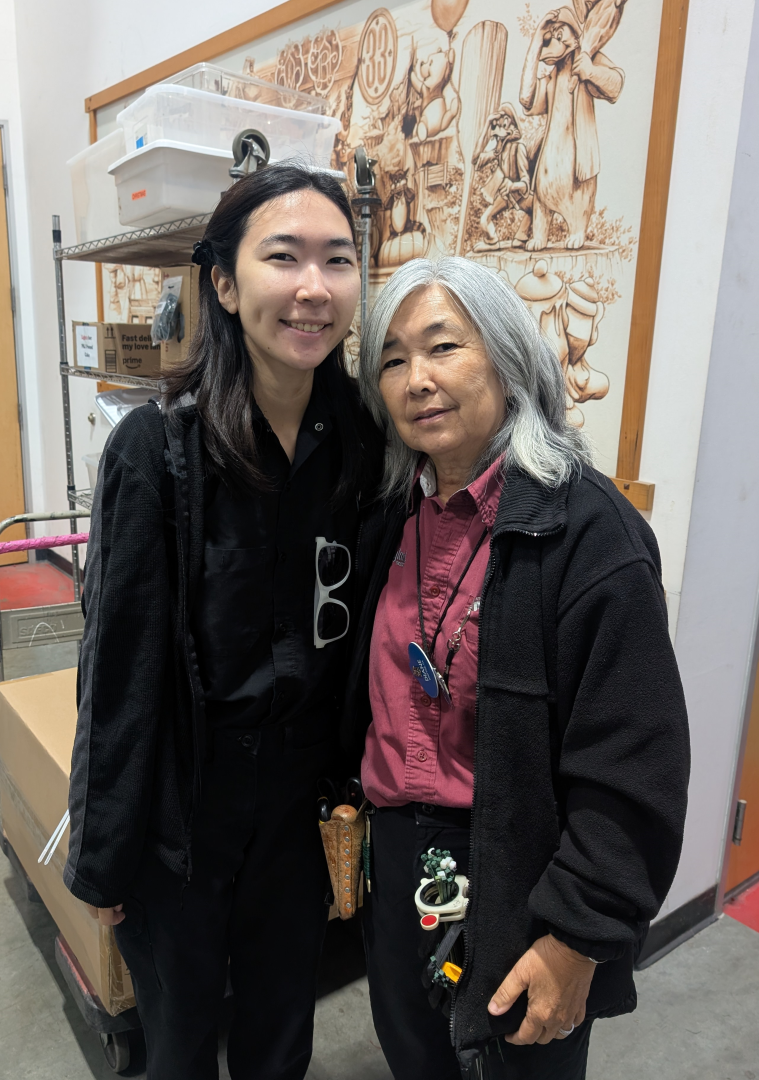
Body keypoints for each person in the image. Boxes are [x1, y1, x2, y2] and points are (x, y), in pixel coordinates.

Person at [64, 163, 382, 1080]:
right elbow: (118, 670)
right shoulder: (157, 448)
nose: (313, 288)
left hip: (297, 807)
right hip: (184, 816)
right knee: (179, 1042)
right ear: (225, 282)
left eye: (337, 260)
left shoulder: (357, 439)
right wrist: (107, 853)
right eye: (282, 257)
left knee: (284, 1027)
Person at [342, 256, 689, 1079]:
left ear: (504, 358)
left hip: (519, 868)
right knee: (416, 1061)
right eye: (392, 360)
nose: (417, 379)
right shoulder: (391, 519)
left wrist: (578, 938)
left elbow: (633, 763)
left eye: (442, 347)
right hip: (397, 865)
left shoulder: (587, 534)